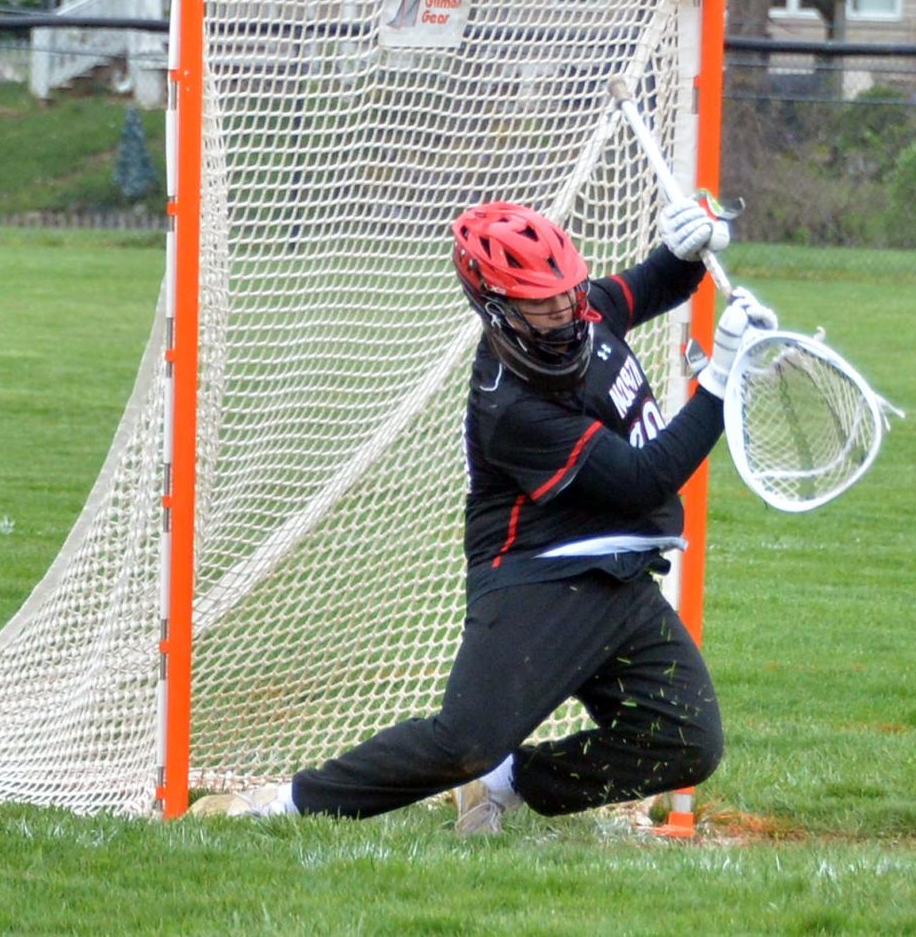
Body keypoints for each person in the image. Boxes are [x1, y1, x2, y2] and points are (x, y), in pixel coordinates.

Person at [189, 197, 775, 831]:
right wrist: (719, 381)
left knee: (685, 738)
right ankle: (281, 805)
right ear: (496, 307)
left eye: (567, 290)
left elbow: (653, 283)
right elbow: (645, 480)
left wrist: (687, 249)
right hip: (540, 581)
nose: (563, 308)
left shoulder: (583, 310)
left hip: (618, 576)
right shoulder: (512, 406)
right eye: (539, 300)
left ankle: (507, 781)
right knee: (462, 740)